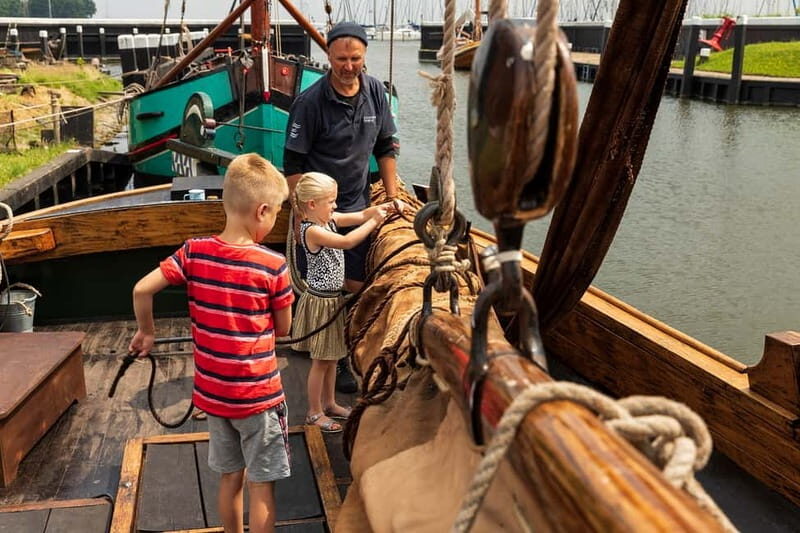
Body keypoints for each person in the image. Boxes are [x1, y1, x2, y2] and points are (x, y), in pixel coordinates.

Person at [128, 154, 293, 533]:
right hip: (259, 398)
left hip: (215, 398)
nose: (274, 222)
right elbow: (283, 329)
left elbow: (142, 289)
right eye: (276, 214)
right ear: (262, 211)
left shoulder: (194, 251)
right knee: (262, 486)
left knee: (229, 478)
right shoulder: (273, 265)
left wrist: (147, 333)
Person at [283, 21, 400, 393]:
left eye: (355, 58)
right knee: (329, 285)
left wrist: (393, 196)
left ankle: (330, 346)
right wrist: (305, 217)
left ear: (364, 55)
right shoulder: (310, 102)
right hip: (319, 207)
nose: (348, 66)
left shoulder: (376, 92)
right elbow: (293, 165)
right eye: (340, 59)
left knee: (347, 282)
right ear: (327, 56)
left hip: (356, 200)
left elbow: (385, 146)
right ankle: (333, 352)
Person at [290, 172, 401, 432]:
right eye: (331, 202)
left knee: (332, 357)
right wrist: (376, 222)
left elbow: (360, 216)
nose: (336, 207)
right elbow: (347, 241)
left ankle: (330, 403)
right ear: (312, 205)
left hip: (333, 300)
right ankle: (314, 412)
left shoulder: (328, 220)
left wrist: (380, 209)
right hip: (321, 303)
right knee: (320, 362)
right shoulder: (313, 230)